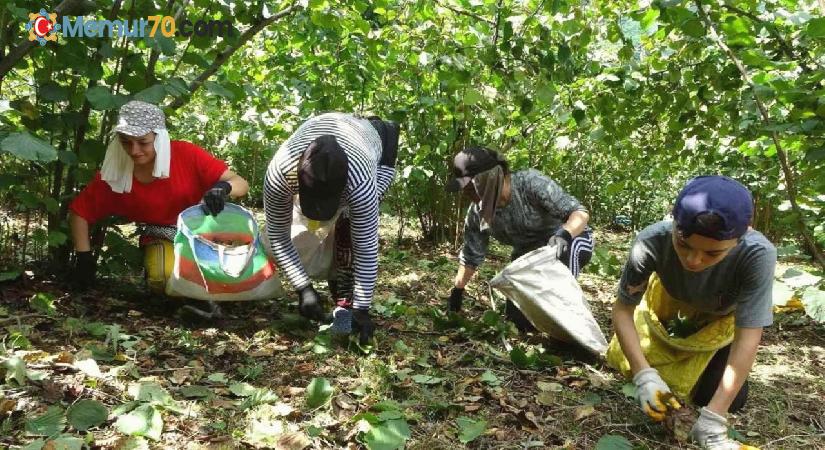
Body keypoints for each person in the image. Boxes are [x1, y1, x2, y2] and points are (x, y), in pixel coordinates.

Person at [606, 176, 776, 450]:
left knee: (725, 396)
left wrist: (714, 417)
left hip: (719, 321)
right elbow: (624, 310)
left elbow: (748, 335)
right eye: (683, 244)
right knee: (631, 367)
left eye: (712, 253)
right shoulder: (652, 241)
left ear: (740, 238)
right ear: (673, 223)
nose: (694, 261)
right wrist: (643, 375)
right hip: (666, 307)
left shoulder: (757, 255)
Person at [69, 100, 249, 299]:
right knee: (165, 277)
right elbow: (80, 212)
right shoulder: (116, 174)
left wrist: (222, 188)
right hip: (163, 236)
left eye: (143, 142)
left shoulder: (186, 155)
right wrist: (83, 258)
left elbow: (240, 183)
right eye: (126, 142)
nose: (134, 150)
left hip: (205, 233)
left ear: (159, 138)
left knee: (236, 275)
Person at [263, 112, 399, 345]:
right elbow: (277, 233)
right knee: (300, 232)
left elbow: (365, 246)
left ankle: (346, 302)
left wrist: (363, 308)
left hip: (378, 141)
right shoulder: (280, 173)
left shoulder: (362, 183)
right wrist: (302, 287)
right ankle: (337, 298)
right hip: (325, 127)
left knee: (347, 233)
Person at [445, 146, 594, 330]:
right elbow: (471, 256)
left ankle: (576, 331)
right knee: (519, 323)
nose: (466, 192)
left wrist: (564, 234)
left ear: (489, 178)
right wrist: (457, 291)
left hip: (568, 240)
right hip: (527, 256)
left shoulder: (530, 183)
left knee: (558, 290)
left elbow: (579, 213)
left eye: (470, 186)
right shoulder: (477, 213)